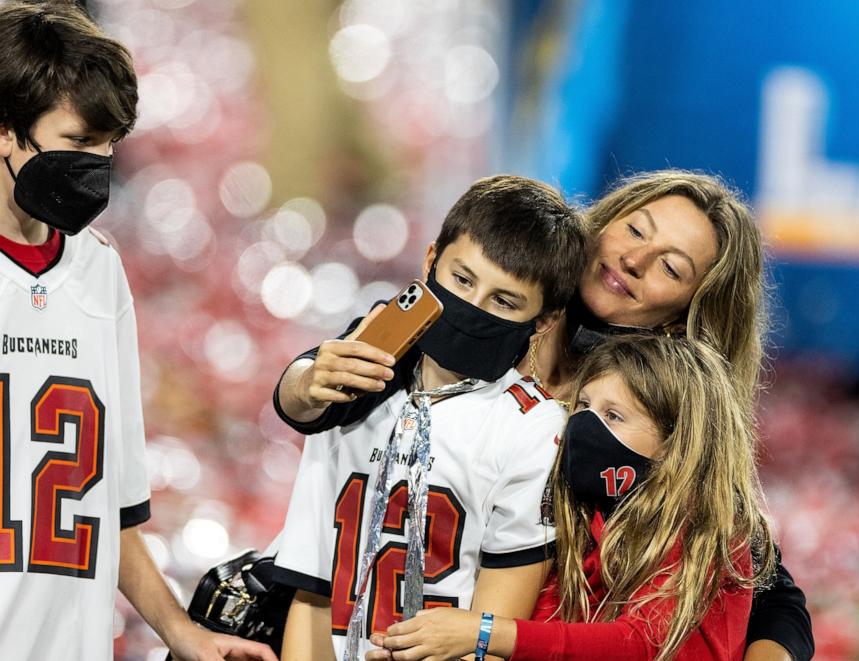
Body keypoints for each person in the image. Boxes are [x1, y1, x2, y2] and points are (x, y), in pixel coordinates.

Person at [277, 170, 814, 661]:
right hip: (347, 610)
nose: (635, 259)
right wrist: (304, 380)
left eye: (670, 267)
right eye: (634, 230)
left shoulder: (656, 425)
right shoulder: (466, 319)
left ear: (685, 314)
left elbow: (761, 582)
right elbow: (322, 391)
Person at [0, 3, 276, 660]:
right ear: (5, 131)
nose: (97, 163)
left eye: (108, 143)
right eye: (77, 141)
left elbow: (107, 506)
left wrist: (182, 631)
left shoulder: (99, 272)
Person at [271, 175, 587, 660]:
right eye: (461, 279)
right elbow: (313, 589)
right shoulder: (359, 373)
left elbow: (494, 630)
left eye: (503, 300)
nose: (472, 306)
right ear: (430, 260)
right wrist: (303, 379)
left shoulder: (533, 427)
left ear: (543, 321)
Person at [367, 334, 776, 660]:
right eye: (582, 405)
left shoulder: (709, 530)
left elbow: (640, 644)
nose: (584, 424)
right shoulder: (581, 518)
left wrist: (483, 632)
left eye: (613, 415)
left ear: (678, 441)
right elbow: (546, 638)